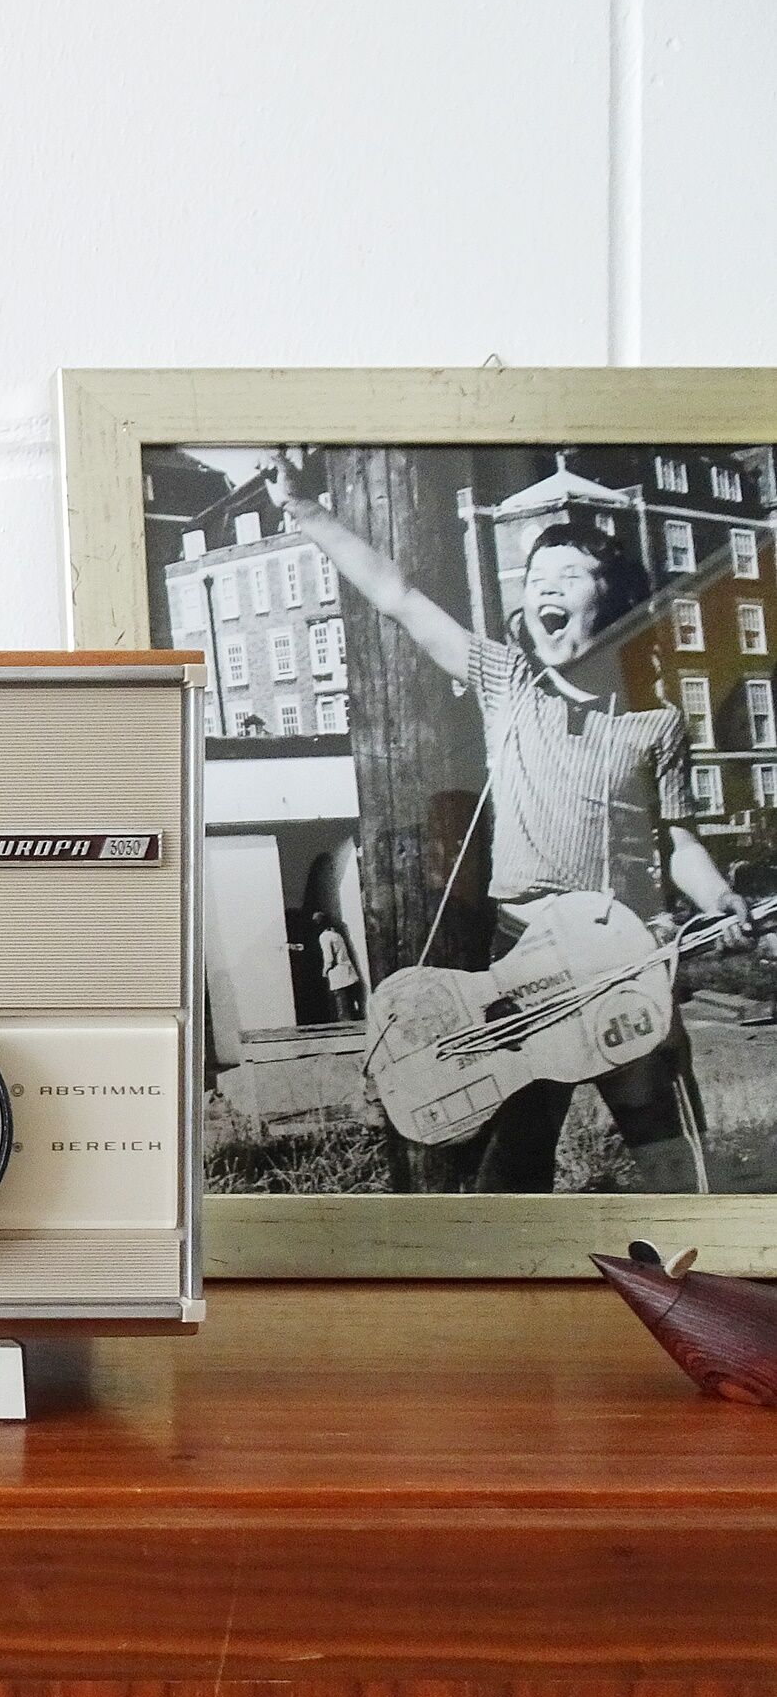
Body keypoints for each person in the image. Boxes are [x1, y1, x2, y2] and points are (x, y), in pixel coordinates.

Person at [263, 450, 753, 1191]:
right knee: (514, 1164)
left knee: (674, 1156)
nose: (545, 587)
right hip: (521, 958)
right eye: (535, 578)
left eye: (569, 576)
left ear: (618, 603)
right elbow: (398, 596)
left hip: (623, 956)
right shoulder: (507, 683)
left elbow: (678, 844)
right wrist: (305, 510)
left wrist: (718, 898)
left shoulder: (655, 725)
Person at [316, 913, 363, 1022]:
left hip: (338, 974)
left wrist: (324, 972)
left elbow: (329, 958)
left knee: (342, 1007)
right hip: (348, 971)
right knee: (351, 1004)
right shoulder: (336, 934)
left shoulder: (324, 937)